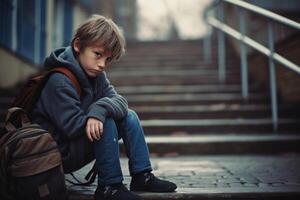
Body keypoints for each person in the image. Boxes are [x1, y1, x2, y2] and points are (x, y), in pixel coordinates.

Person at [31, 14, 177, 200]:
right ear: (78, 46)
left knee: (129, 115)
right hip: (58, 152)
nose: (102, 65)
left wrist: (98, 110)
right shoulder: (59, 81)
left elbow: (120, 103)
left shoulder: (95, 74)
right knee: (106, 120)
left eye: (107, 60)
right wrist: (99, 114)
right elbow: (72, 127)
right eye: (98, 54)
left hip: (77, 143)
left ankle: (142, 175)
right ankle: (109, 186)